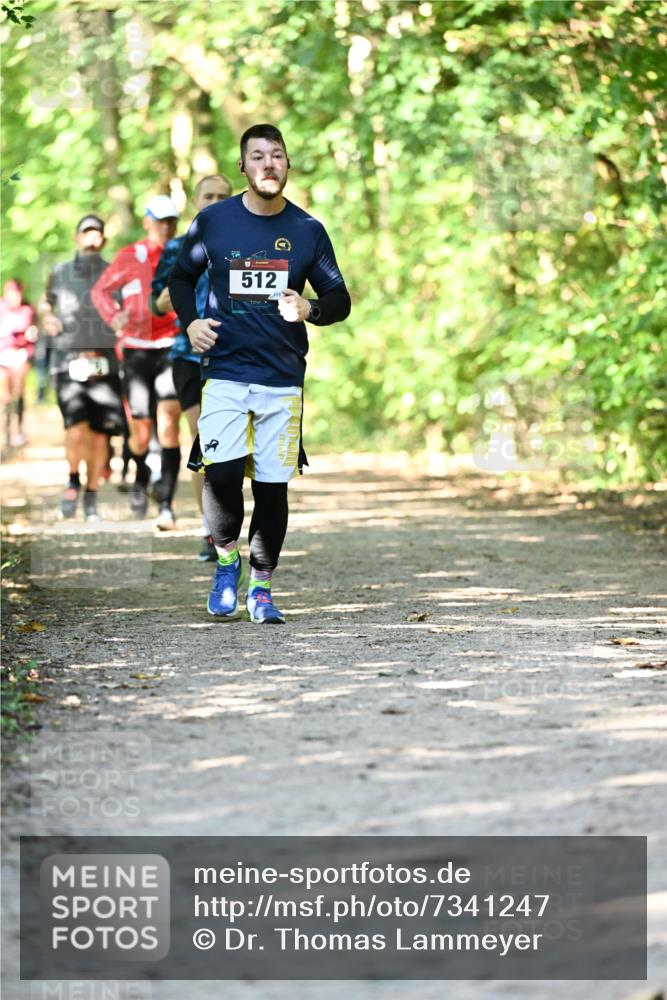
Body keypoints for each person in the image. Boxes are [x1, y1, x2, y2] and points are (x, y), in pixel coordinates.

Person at [169, 123, 351, 623]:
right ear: (243, 169)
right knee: (222, 473)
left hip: (282, 377)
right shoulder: (213, 222)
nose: (268, 164)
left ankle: (262, 587)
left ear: (287, 165)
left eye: (277, 155)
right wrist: (191, 323)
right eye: (257, 156)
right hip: (225, 369)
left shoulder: (307, 230)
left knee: (272, 486)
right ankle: (227, 562)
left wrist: (308, 309)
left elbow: (339, 299)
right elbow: (180, 279)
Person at [150, 174, 233, 561]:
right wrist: (166, 301)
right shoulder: (178, 248)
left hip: (236, 356)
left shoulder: (243, 244)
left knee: (229, 450)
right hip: (187, 356)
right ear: (196, 201)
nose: (215, 202)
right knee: (205, 438)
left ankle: (222, 524)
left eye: (223, 196)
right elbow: (156, 303)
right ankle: (210, 530)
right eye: (209, 196)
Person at [91, 196, 182, 528]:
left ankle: (168, 505)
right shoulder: (130, 256)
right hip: (136, 350)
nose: (166, 227)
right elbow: (100, 291)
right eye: (160, 220)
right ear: (147, 221)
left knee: (170, 420)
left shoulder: (185, 253)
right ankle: (141, 481)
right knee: (141, 432)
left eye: (172, 220)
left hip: (171, 345)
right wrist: (114, 317)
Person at [40, 215, 126, 520]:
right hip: (67, 361)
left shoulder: (115, 274)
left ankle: (91, 497)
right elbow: (46, 303)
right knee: (76, 428)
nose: (92, 238)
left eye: (97, 234)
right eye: (86, 233)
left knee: (100, 435)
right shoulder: (60, 272)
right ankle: (73, 479)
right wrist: (48, 317)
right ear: (77, 237)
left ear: (103, 240)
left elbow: (124, 313)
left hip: (104, 363)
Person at [0, 279, 38, 448]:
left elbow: (30, 333)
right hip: (3, 355)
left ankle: (20, 430)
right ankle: (7, 433)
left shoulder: (27, 310)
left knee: (19, 392)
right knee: (5, 395)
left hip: (21, 355)